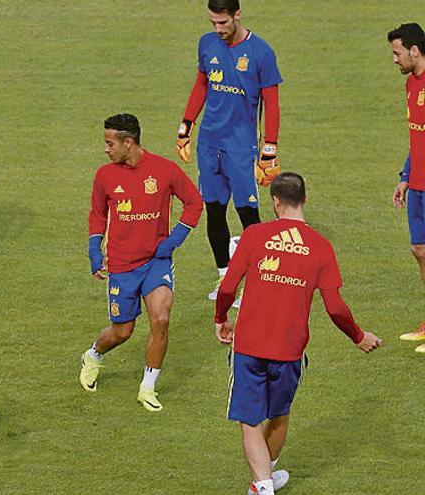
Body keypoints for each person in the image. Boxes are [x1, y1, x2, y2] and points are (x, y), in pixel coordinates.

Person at [214, 172, 382, 495]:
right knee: (278, 415)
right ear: (305, 198)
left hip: (248, 344)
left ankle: (263, 485)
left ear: (275, 201)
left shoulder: (254, 236)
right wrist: (359, 336)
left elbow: (228, 287)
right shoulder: (321, 247)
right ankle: (264, 480)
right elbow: (335, 307)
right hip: (289, 350)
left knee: (249, 420)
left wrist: (221, 317)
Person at [79, 114, 203, 412]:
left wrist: (173, 241)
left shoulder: (164, 170)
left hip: (155, 263)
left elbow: (194, 202)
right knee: (123, 331)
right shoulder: (105, 176)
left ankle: (147, 387)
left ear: (128, 142)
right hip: (121, 265)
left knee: (160, 319)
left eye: (110, 143)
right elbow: (97, 215)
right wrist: (94, 250)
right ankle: (94, 355)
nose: (106, 149)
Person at [175, 0, 282, 300]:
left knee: (248, 214)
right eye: (213, 23)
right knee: (214, 210)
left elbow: (271, 103)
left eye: (223, 22)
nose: (218, 29)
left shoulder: (262, 52)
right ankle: (226, 280)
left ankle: (260, 281)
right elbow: (201, 85)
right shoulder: (207, 44)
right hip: (209, 144)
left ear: (237, 15)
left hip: (240, 147)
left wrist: (269, 148)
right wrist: (186, 127)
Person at [388, 23, 425, 352]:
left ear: (414, 51)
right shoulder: (412, 85)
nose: (394, 60)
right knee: (419, 251)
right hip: (417, 184)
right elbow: (418, 134)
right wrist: (405, 175)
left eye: (397, 53)